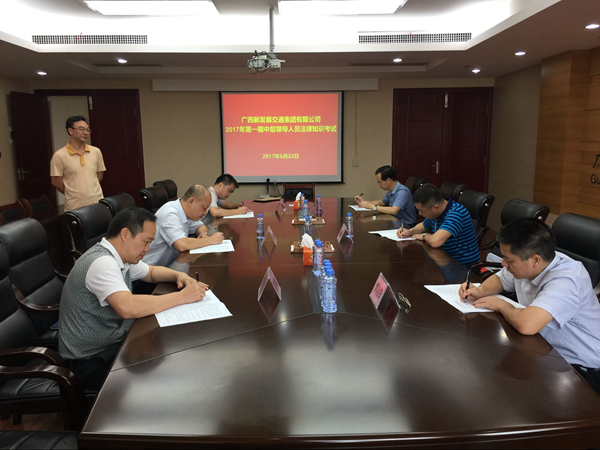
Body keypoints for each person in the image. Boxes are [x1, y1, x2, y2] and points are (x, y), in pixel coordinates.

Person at [58, 207, 208, 391]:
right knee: (160, 378)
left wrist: (179, 276)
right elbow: (127, 308)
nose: (147, 249)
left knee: (166, 355)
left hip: (110, 344)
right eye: (146, 241)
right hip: (90, 360)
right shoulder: (102, 263)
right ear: (125, 234)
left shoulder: (120, 256)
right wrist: (182, 297)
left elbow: (151, 272)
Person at [459, 218, 600, 395]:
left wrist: (501, 304)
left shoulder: (567, 279)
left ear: (535, 260)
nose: (503, 264)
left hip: (579, 368)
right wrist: (480, 290)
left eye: (509, 260)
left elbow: (527, 325)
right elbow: (501, 279)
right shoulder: (529, 264)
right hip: (543, 350)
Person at [398, 183, 480, 266]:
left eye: (422, 211)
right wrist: (410, 231)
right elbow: (424, 225)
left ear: (436, 207)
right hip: (443, 258)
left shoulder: (456, 213)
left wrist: (424, 235)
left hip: (462, 265)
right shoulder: (437, 212)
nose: (419, 214)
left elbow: (435, 242)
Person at [143, 184, 224, 267]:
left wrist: (203, 234)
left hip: (172, 263)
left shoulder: (186, 211)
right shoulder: (170, 214)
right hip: (151, 268)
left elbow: (201, 226)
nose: (205, 213)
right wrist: (210, 240)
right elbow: (181, 245)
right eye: (204, 208)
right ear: (191, 201)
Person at [50, 115, 106, 211]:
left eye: (88, 130)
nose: (85, 133)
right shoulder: (59, 155)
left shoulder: (96, 151)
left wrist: (89, 188)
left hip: (97, 203)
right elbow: (56, 181)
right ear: (70, 131)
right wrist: (73, 193)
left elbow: (99, 174)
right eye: (81, 129)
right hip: (74, 207)